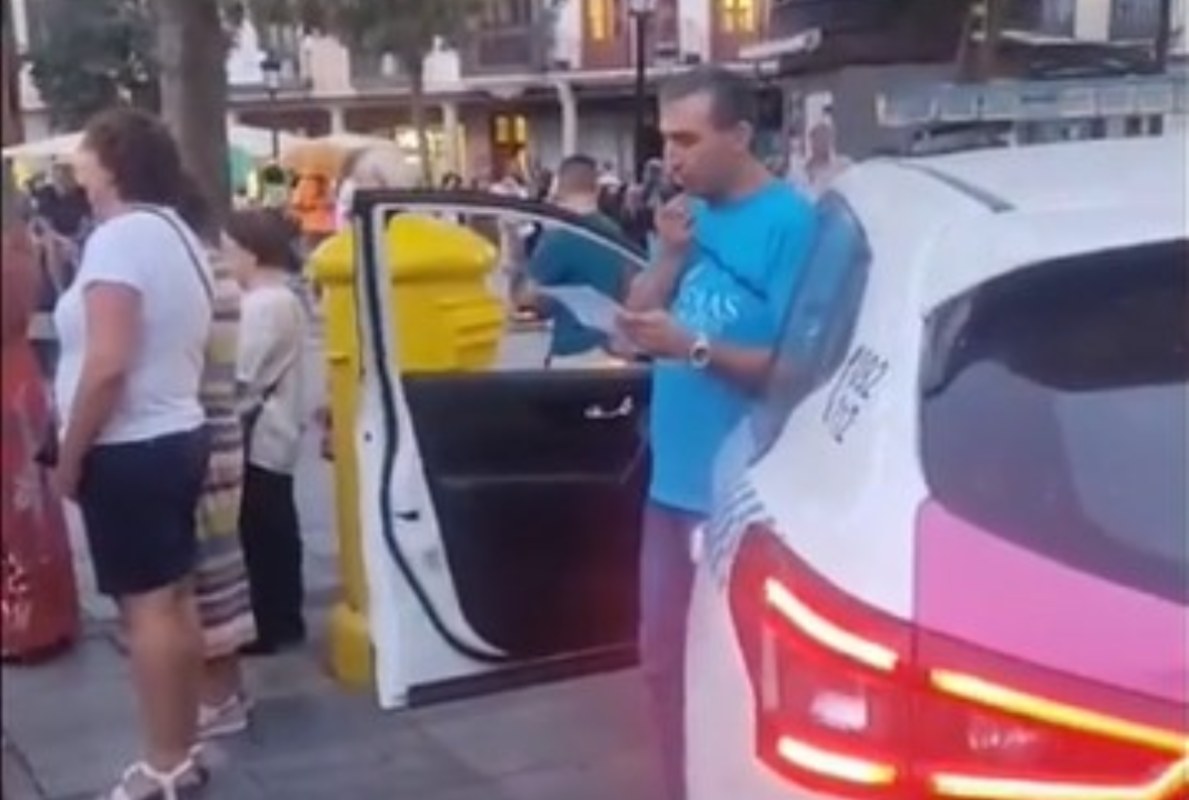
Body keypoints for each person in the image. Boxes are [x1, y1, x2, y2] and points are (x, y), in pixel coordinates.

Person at [616, 67, 816, 800]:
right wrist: (667, 257)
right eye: (665, 139)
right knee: (660, 666)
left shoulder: (791, 225)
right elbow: (627, 326)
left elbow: (796, 367)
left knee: (734, 680)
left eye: (686, 140)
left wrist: (691, 346)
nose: (671, 157)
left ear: (738, 135)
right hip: (668, 490)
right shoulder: (684, 217)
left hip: (733, 499)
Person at [53, 108, 213, 798]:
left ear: (111, 161)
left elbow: (108, 362)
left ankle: (162, 762)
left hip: (128, 444)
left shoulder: (119, 240)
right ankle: (183, 746)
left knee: (145, 610)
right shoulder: (177, 233)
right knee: (175, 600)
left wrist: (68, 453)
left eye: (84, 155)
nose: (76, 169)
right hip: (177, 430)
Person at [173, 180, 258, 739]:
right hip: (220, 428)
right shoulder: (217, 274)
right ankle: (223, 691)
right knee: (219, 566)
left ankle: (220, 696)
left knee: (210, 573)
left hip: (202, 430)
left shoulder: (195, 275)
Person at [225, 209, 308, 656]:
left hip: (261, 432)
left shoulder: (265, 304)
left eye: (230, 249)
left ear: (251, 254)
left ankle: (269, 620)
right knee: (272, 526)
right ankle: (282, 616)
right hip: (276, 430)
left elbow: (242, 372)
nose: (226, 258)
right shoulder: (281, 298)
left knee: (262, 531)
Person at [515, 154, 636, 368]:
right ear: (595, 188)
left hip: (572, 353)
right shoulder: (613, 231)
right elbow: (627, 286)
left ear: (559, 187)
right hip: (612, 349)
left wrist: (515, 250)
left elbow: (526, 297)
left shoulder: (560, 236)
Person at [787, 117, 853, 199]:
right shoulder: (797, 172)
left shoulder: (844, 166)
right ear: (811, 140)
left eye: (827, 135)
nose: (823, 140)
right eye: (819, 135)